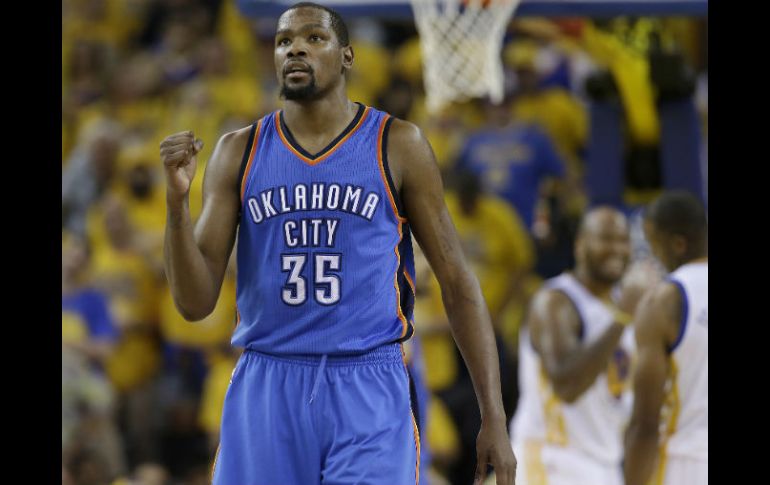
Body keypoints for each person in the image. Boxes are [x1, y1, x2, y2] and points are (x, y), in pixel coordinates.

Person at [159, 3, 516, 484]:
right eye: (284, 41)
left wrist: (493, 415)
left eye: (314, 38)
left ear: (347, 56)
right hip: (268, 381)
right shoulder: (237, 151)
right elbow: (194, 302)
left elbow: (455, 280)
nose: (296, 48)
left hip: (368, 382)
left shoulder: (398, 143)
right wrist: (176, 206)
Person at [509, 207, 656, 485]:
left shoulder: (624, 307)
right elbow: (567, 385)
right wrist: (623, 317)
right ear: (580, 246)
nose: (617, 249)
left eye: (623, 240)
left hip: (605, 464)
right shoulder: (555, 301)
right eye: (605, 239)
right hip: (553, 459)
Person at [624, 191, 708, 485]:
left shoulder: (664, 301)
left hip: (686, 465)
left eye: (654, 244)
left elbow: (646, 423)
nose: (653, 255)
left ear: (678, 244)